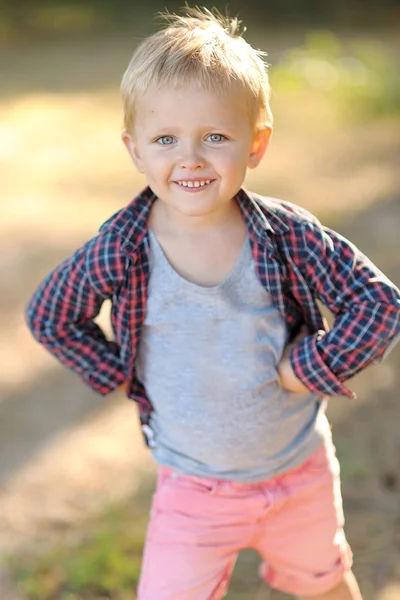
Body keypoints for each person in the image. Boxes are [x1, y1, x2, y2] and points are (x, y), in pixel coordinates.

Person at [25, 6, 400, 600]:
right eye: (166, 139)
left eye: (216, 137)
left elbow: (379, 305)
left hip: (297, 472)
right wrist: (124, 372)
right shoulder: (123, 250)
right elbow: (50, 316)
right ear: (135, 150)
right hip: (192, 491)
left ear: (256, 144)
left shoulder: (288, 236)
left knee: (325, 584)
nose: (191, 158)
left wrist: (306, 368)